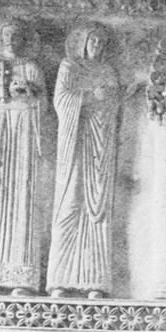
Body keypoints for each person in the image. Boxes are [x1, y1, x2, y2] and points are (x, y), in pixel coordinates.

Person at [0, 16, 47, 297]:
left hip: (24, 131)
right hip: (1, 127)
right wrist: (1, 91)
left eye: (16, 35)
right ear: (0, 37)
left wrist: (30, 93)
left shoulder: (32, 68)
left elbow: (44, 105)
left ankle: (21, 278)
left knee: (23, 196)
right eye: (6, 34)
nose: (11, 40)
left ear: (24, 39)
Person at [46, 24, 123, 299]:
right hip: (75, 140)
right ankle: (59, 280)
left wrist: (107, 100)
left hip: (99, 142)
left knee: (97, 207)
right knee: (70, 201)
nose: (97, 46)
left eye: (102, 42)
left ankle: (95, 281)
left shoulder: (108, 72)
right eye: (93, 41)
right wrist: (91, 96)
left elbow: (113, 106)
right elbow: (61, 99)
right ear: (83, 42)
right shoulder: (69, 66)